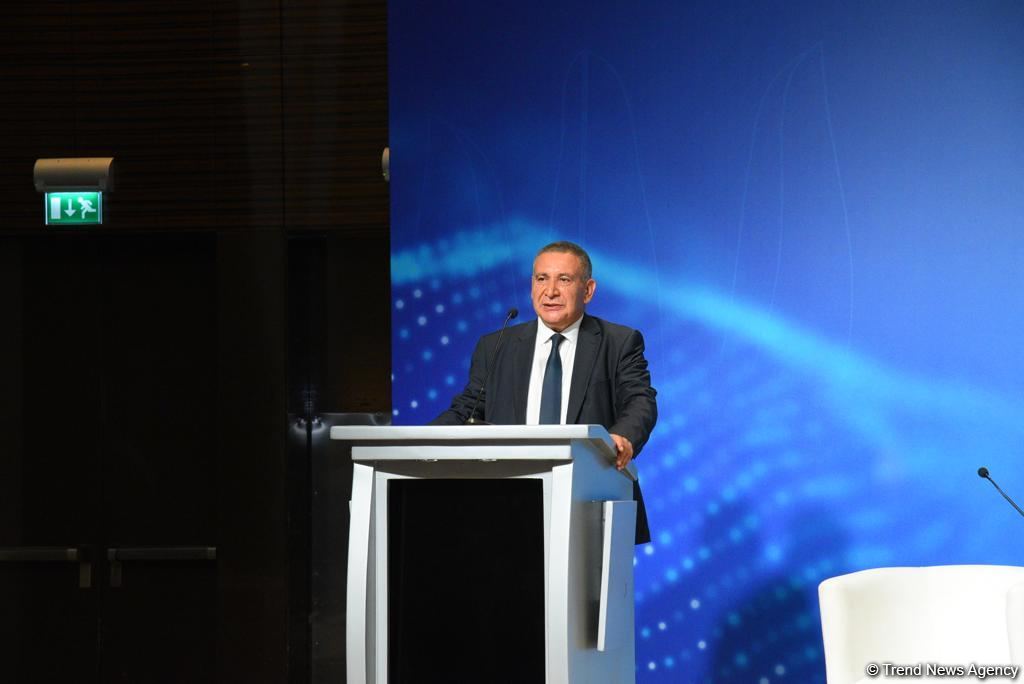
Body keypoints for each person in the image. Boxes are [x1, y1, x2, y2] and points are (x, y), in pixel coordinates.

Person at [431, 240, 657, 543]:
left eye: (564, 280)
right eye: (541, 279)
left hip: (589, 502)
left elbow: (639, 400)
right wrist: (419, 443)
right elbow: (468, 408)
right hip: (505, 501)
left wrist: (623, 436)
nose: (550, 291)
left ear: (588, 290)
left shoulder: (618, 342)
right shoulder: (496, 345)